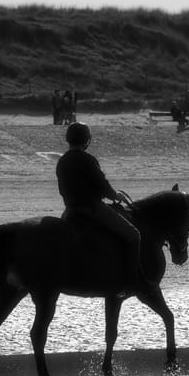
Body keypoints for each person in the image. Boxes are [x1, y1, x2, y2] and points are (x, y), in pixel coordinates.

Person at [56, 122, 145, 286]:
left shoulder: (62, 160)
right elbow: (102, 184)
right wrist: (115, 195)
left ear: (69, 139)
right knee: (134, 235)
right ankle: (134, 280)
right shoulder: (88, 159)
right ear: (86, 140)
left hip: (70, 210)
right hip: (92, 208)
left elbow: (62, 189)